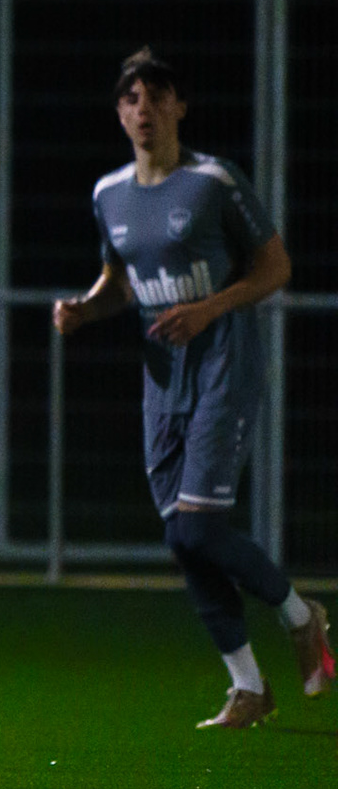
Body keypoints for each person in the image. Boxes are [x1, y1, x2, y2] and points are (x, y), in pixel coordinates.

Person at [52, 47, 332, 729]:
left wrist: (211, 307)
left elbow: (276, 266)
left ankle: (302, 617)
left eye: (156, 95)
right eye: (131, 98)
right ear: (119, 113)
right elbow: (118, 280)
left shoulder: (212, 182)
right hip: (161, 374)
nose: (143, 108)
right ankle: (248, 687)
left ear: (179, 106)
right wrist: (85, 309)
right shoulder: (108, 193)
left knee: (200, 525)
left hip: (223, 362)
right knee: (183, 538)